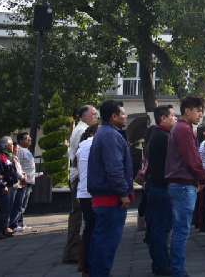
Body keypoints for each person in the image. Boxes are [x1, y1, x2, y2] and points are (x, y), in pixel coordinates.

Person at [87, 100, 132, 277]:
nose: (125, 116)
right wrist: (123, 193)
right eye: (122, 113)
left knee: (103, 240)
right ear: (113, 116)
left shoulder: (106, 133)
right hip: (110, 198)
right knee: (107, 241)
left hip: (105, 196)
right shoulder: (110, 136)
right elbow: (114, 168)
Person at [165, 96, 205, 277]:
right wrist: (203, 177)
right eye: (198, 111)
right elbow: (192, 158)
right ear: (188, 110)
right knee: (181, 230)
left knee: (180, 229)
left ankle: (177, 268)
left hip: (181, 184)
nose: (200, 115)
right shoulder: (183, 129)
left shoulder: (183, 128)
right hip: (183, 184)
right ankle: (178, 270)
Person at [144, 104, 176, 276]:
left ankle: (160, 264)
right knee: (160, 230)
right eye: (172, 116)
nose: (175, 118)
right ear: (162, 118)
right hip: (161, 189)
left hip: (157, 188)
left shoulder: (158, 135)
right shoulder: (162, 137)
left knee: (159, 229)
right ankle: (162, 266)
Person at [64, 105, 99, 264]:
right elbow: (80, 157)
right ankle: (73, 251)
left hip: (79, 176)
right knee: (77, 215)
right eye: (93, 114)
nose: (95, 116)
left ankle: (75, 250)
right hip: (79, 177)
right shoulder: (81, 131)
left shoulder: (81, 129)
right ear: (84, 115)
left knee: (79, 215)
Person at [75, 125, 97, 276]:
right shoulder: (94, 144)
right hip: (93, 193)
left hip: (83, 192)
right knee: (95, 230)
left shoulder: (81, 146)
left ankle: (85, 265)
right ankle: (90, 265)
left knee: (89, 229)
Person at [0, 136, 19, 240]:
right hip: (3, 187)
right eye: (10, 144)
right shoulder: (0, 157)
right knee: (2, 210)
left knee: (6, 210)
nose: (12, 146)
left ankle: (3, 229)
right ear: (5, 146)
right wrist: (3, 185)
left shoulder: (8, 157)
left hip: (9, 185)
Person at [9, 132, 35, 233]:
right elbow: (17, 165)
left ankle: (19, 223)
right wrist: (21, 178)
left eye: (30, 139)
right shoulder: (19, 150)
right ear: (20, 140)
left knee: (23, 204)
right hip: (23, 181)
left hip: (29, 181)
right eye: (26, 139)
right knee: (19, 204)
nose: (29, 140)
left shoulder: (27, 150)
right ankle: (14, 224)